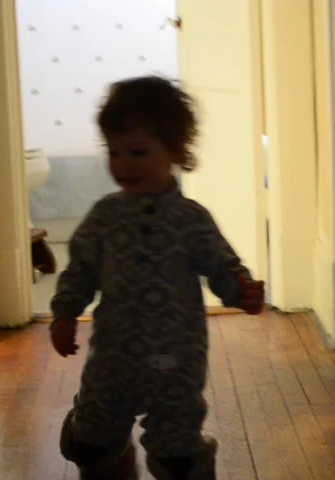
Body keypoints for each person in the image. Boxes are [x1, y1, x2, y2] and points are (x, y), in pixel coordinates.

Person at [49, 76, 265, 480]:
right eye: (113, 152)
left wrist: (241, 289)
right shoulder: (104, 217)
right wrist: (64, 313)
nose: (123, 164)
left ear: (176, 151)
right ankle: (109, 461)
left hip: (176, 357)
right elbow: (79, 270)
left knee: (177, 441)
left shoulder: (190, 219)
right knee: (94, 435)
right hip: (112, 355)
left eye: (138, 151)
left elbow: (221, 263)